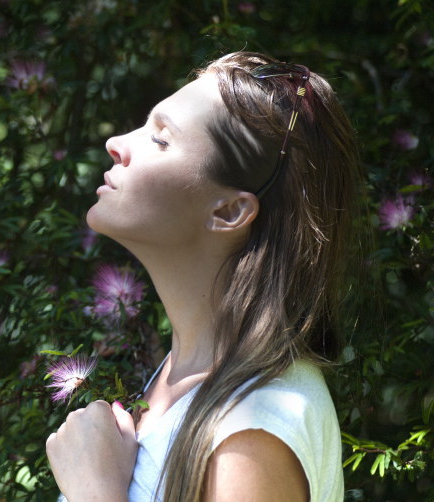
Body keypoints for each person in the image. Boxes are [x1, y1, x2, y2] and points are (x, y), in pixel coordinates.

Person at [46, 51, 362, 502]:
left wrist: (93, 493)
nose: (117, 142)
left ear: (230, 211)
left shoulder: (253, 430)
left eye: (160, 139)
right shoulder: (182, 380)